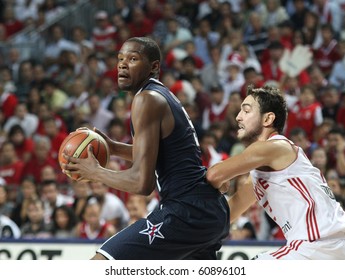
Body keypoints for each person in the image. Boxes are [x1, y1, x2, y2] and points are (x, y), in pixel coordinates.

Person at [62, 36, 230, 260]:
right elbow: (159, 154)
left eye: (133, 59)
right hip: (205, 208)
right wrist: (113, 148)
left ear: (154, 67)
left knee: (100, 263)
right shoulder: (159, 95)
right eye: (120, 58)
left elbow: (142, 183)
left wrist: (96, 172)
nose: (122, 64)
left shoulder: (147, 100)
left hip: (186, 210)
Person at [206, 85, 345, 260]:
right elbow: (229, 213)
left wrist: (223, 177)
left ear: (268, 118)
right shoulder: (264, 170)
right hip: (332, 247)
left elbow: (213, 175)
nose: (238, 117)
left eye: (246, 111)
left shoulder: (276, 147)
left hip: (318, 244)